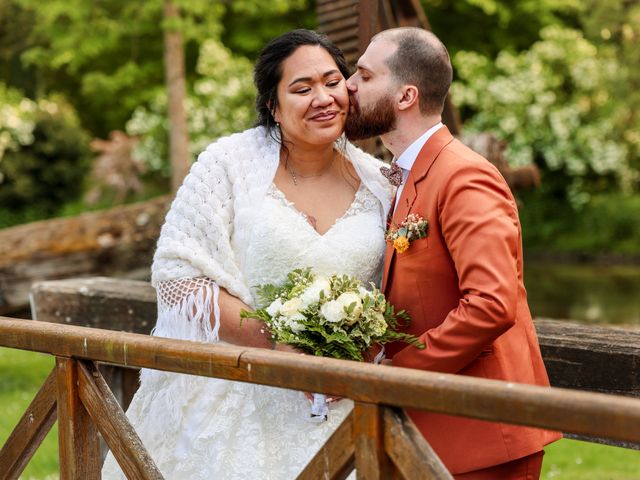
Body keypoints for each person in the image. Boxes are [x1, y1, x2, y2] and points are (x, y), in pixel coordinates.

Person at [101, 29, 393, 479]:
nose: (324, 98)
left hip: (344, 401)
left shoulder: (380, 183)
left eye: (333, 82)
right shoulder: (227, 164)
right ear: (273, 106)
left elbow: (396, 289)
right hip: (237, 395)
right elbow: (180, 274)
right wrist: (275, 342)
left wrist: (360, 350)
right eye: (302, 88)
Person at [345, 27, 561, 479]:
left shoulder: (463, 176)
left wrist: (396, 373)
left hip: (484, 435)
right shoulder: (409, 173)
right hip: (436, 431)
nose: (348, 86)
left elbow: (491, 305)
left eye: (364, 76)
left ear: (405, 96)